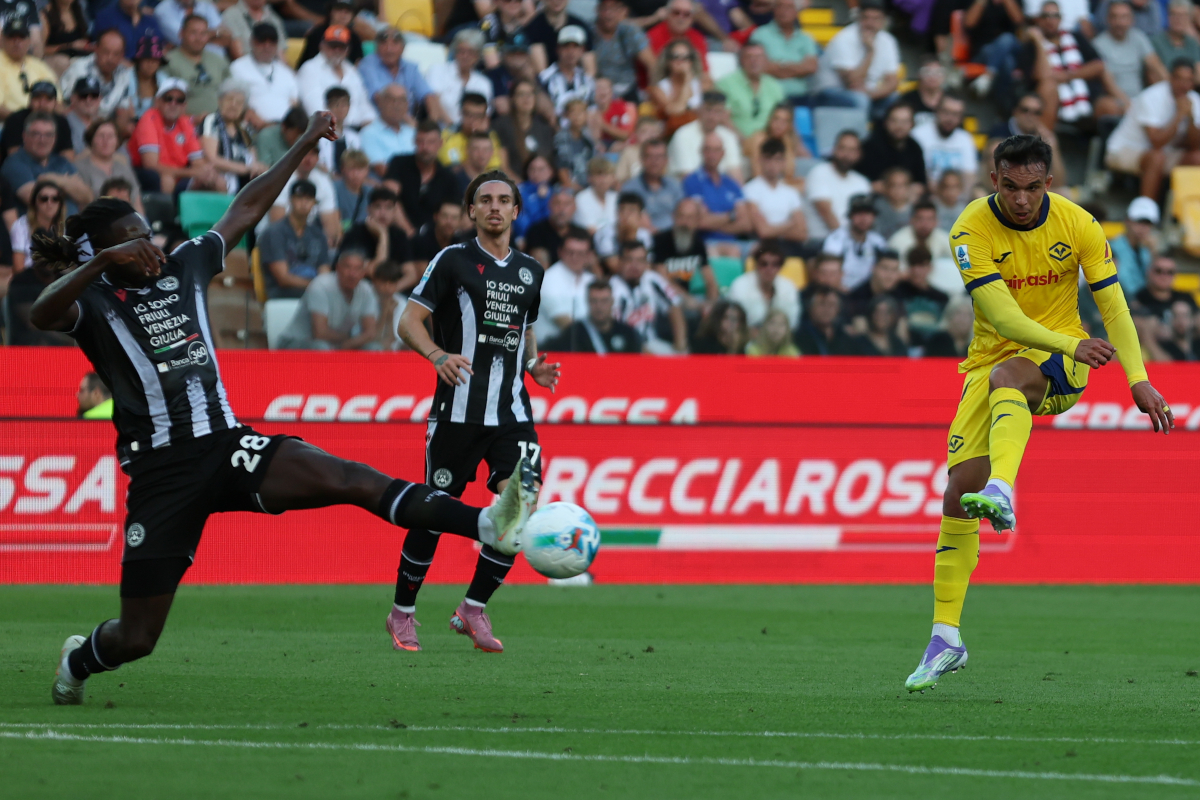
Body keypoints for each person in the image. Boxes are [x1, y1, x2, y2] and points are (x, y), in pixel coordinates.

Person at [37, 113, 537, 705]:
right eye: (136, 238)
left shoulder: (185, 266)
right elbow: (41, 313)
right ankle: (79, 659)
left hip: (226, 445)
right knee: (138, 637)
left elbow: (244, 209)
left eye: (150, 233)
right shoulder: (90, 303)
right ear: (105, 252)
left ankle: (484, 522)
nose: (153, 244)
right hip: (161, 473)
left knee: (349, 477)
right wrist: (95, 264)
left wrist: (302, 143)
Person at [903, 135, 1173, 695]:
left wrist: (1137, 376)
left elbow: (1113, 306)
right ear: (993, 180)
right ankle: (945, 637)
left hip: (1060, 355)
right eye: (1009, 187)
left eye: (1032, 187)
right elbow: (999, 316)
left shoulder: (1079, 225)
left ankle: (1004, 488)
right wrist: (1070, 345)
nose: (1021, 199)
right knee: (956, 495)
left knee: (1012, 382)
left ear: (1047, 182)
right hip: (992, 359)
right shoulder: (969, 230)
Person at [386, 168, 557, 653]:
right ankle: (402, 612)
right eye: (486, 200)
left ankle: (473, 608)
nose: (496, 207)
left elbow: (524, 330)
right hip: (457, 412)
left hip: (512, 413)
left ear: (517, 211)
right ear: (473, 211)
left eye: (505, 199)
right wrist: (437, 356)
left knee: (521, 507)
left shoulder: (531, 271)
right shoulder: (453, 260)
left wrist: (533, 365)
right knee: (432, 515)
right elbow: (409, 321)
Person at [1106, 59, 1200, 202]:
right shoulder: (1152, 96)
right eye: (1179, 79)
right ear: (1170, 78)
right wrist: (1179, 115)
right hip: (1124, 150)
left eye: (1188, 80)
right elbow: (1156, 142)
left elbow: (1194, 145)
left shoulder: (1194, 100)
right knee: (1156, 157)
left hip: (1164, 152)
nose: (1183, 85)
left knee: (1196, 157)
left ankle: (1184, 215)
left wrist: (1191, 118)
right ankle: (1146, 212)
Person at [1018, 2, 1120, 128]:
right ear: (1038, 20)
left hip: (1086, 102)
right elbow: (1043, 75)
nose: (1050, 20)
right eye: (1045, 16)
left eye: (1055, 16)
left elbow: (1098, 65)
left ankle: (1126, 108)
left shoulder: (1075, 37)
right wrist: (1039, 41)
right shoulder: (1031, 47)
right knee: (1048, 85)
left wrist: (1067, 76)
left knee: (1110, 106)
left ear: (1061, 19)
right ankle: (1044, 142)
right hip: (1053, 105)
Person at [127, 80, 219, 194]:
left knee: (218, 181)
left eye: (179, 100)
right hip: (144, 174)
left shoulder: (185, 122)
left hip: (178, 174)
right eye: (168, 99)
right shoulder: (149, 119)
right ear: (157, 102)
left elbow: (198, 162)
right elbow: (151, 166)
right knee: (167, 180)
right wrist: (192, 173)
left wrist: (206, 172)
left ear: (184, 105)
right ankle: (166, 212)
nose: (173, 104)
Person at [277, 248, 380, 349]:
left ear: (363, 272)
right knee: (322, 348)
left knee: (374, 348)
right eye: (348, 267)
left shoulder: (367, 290)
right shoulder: (321, 286)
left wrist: (348, 344)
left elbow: (370, 333)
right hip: (295, 342)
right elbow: (320, 333)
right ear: (338, 268)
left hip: (338, 343)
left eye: (358, 269)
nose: (352, 274)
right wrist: (349, 340)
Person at [813, 0, 899, 118]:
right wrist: (870, 52)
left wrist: (871, 94)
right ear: (859, 18)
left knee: (895, 101)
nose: (870, 23)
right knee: (860, 101)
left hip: (866, 94)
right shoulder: (844, 38)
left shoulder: (888, 41)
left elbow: (892, 82)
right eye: (866, 18)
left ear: (884, 21)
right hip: (830, 93)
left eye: (876, 19)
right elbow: (852, 82)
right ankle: (859, 136)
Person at [2, 113, 92, 215]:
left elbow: (87, 196)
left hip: (72, 228)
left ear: (55, 138)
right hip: (39, 230)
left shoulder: (62, 161)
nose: (42, 140)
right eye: (36, 134)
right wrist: (68, 184)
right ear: (24, 136)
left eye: (48, 135)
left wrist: (53, 179)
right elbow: (38, 199)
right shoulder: (14, 163)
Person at [383, 120, 463, 235]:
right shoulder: (399, 163)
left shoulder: (448, 177)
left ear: (440, 144)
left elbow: (456, 211)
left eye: (431, 142)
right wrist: (410, 233)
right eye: (421, 142)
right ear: (414, 142)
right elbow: (389, 198)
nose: (425, 147)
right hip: (398, 233)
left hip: (434, 238)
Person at [611, 238, 686, 353]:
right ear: (620, 261)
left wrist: (680, 344)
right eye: (629, 260)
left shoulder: (651, 279)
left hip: (653, 343)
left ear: (646, 263)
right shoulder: (613, 290)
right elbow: (617, 331)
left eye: (640, 260)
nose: (635, 266)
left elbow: (674, 306)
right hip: (626, 350)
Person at [259, 178, 330, 299]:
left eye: (308, 199)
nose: (304, 203)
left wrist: (322, 288)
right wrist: (317, 287)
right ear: (290, 200)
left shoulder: (318, 235)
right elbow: (283, 279)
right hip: (281, 292)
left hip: (313, 292)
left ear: (314, 203)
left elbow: (325, 272)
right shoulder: (274, 232)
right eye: (299, 198)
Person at [359, 27, 446, 124]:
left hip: (408, 123)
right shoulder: (368, 65)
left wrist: (431, 125)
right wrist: (413, 126)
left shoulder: (410, 67)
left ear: (403, 48)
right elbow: (380, 99)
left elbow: (428, 96)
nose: (389, 49)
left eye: (394, 43)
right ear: (377, 47)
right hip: (380, 122)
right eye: (384, 43)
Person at [297, 25, 376, 128]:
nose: (337, 50)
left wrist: (369, 121)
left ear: (348, 50)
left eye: (341, 47)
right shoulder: (309, 69)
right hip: (326, 131)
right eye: (333, 46)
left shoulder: (351, 70)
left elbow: (364, 104)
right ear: (322, 45)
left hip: (357, 130)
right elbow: (315, 110)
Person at [984, 93, 1068, 188]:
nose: (1030, 116)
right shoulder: (999, 131)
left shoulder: (1043, 137)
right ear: (1015, 111)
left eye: (1036, 112)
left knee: (1063, 193)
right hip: (1003, 189)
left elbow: (1059, 183)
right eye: (1025, 110)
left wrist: (1052, 146)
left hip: (1031, 190)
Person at [229, 22, 300, 131]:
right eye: (261, 41)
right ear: (252, 42)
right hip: (254, 128)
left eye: (272, 42)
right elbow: (235, 102)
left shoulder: (286, 72)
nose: (267, 46)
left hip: (286, 131)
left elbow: (294, 104)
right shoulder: (238, 67)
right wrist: (263, 125)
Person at [1092, 0, 1166, 104]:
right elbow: (1107, 83)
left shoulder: (1139, 37)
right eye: (1115, 17)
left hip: (1140, 96)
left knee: (1154, 75)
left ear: (1132, 20)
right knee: (1106, 104)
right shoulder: (1098, 44)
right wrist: (1128, 104)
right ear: (1108, 19)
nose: (1119, 22)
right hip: (1115, 100)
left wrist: (1172, 87)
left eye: (1124, 17)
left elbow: (1155, 64)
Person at [59, 29, 137, 127]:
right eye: (106, 52)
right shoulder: (78, 69)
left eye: (116, 54)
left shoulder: (124, 74)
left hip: (106, 129)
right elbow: (61, 105)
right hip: (76, 125)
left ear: (122, 55)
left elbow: (122, 110)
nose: (110, 59)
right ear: (96, 49)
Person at [545, 279, 643, 353]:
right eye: (594, 301)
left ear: (612, 302)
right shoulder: (575, 333)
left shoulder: (627, 333)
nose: (599, 306)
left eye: (604, 301)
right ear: (588, 302)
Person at [201, 81, 264, 194]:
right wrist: (245, 168)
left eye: (239, 102)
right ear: (220, 101)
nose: (234, 105)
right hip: (218, 176)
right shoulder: (212, 121)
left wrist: (257, 168)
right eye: (229, 99)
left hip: (242, 178)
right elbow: (212, 159)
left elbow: (253, 160)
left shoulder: (245, 129)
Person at [750, 0, 819, 103]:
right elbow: (759, 66)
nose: (784, 11)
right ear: (774, 10)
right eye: (780, 6)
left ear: (796, 12)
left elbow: (811, 67)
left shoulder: (806, 38)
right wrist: (798, 68)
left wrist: (780, 66)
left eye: (789, 7)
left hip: (801, 96)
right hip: (768, 97)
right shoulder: (760, 34)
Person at [163, 15, 231, 119]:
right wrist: (192, 119)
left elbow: (232, 93)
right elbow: (164, 104)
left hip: (220, 122)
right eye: (193, 33)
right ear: (181, 34)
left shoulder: (218, 61)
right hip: (185, 125)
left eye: (203, 33)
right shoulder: (168, 62)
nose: (198, 38)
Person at [340, 187, 415, 280]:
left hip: (390, 289)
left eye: (388, 207)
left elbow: (411, 274)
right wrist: (383, 235)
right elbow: (374, 272)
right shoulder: (356, 233)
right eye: (378, 207)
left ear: (394, 212)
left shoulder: (399, 235)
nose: (383, 213)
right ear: (369, 210)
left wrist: (392, 291)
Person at [652, 196, 716, 303]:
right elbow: (662, 279)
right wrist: (690, 301)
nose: (685, 223)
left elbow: (710, 281)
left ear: (697, 221)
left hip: (690, 298)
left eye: (690, 218)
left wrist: (711, 305)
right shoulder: (660, 241)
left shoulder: (698, 243)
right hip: (665, 299)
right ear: (674, 217)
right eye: (681, 216)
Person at [667, 89, 742, 181]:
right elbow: (687, 179)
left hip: (720, 189)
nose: (712, 117)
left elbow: (736, 175)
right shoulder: (683, 135)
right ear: (699, 110)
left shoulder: (729, 136)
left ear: (724, 114)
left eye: (717, 111)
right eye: (708, 110)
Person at [72, 120, 144, 214]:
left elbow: (136, 202)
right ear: (91, 139)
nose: (105, 141)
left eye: (110, 136)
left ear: (117, 141)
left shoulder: (124, 168)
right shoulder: (79, 167)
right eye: (101, 136)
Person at [805, 130, 872, 232]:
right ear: (834, 150)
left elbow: (865, 218)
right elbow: (826, 212)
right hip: (821, 241)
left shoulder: (862, 182)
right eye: (843, 148)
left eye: (852, 150)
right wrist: (845, 242)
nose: (846, 154)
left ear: (859, 154)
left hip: (853, 241)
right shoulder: (819, 172)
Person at [743, 137, 807, 244]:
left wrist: (773, 230)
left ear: (784, 162)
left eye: (777, 159)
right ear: (760, 160)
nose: (772, 164)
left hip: (788, 246)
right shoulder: (750, 190)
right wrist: (791, 224)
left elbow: (802, 234)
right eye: (768, 158)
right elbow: (763, 231)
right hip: (762, 246)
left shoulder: (791, 193)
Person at [534, 227, 593, 341]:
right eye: (570, 252)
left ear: (589, 256)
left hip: (585, 349)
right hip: (552, 351)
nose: (575, 258)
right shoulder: (548, 280)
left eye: (580, 253)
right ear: (560, 252)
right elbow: (566, 324)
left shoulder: (592, 280)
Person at [727, 239, 800, 330]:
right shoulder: (740, 285)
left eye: (775, 264)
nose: (769, 269)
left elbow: (792, 322)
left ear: (780, 267)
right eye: (764, 264)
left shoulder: (789, 287)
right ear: (756, 265)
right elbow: (734, 323)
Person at [717, 42, 784, 139]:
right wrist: (743, 141)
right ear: (741, 60)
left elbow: (783, 119)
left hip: (770, 144)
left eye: (759, 57)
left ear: (766, 60)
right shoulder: (726, 84)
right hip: (735, 141)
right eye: (749, 57)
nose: (754, 61)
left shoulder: (774, 86)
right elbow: (722, 119)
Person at [889, 198, 957, 293]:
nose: (925, 224)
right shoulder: (898, 241)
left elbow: (962, 260)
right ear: (912, 220)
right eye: (920, 219)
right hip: (905, 289)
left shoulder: (943, 238)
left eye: (929, 219)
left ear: (936, 222)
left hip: (936, 290)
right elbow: (894, 273)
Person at [821, 194, 889, 289]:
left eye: (868, 214)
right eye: (859, 214)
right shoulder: (836, 239)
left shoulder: (878, 241)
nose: (864, 219)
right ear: (850, 216)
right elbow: (829, 271)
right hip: (840, 291)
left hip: (870, 293)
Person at [428, 29, 493, 127]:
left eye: (470, 52)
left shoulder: (483, 83)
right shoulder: (438, 70)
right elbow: (434, 103)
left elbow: (484, 115)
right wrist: (453, 127)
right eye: (461, 51)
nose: (465, 56)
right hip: (442, 129)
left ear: (478, 56)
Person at [856, 102, 928, 192]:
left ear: (912, 124)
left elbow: (921, 183)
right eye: (894, 121)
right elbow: (862, 183)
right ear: (886, 122)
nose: (899, 126)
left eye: (905, 122)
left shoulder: (915, 148)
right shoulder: (870, 147)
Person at [592, 0, 655, 101]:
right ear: (597, 10)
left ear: (622, 11)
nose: (608, 14)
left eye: (613, 9)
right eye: (604, 9)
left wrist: (653, 93)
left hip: (627, 90)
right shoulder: (589, 31)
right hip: (599, 91)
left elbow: (652, 64)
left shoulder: (630, 30)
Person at [910, 93, 978, 186]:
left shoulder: (965, 139)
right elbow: (917, 174)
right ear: (936, 111)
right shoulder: (918, 135)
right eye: (946, 112)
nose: (950, 118)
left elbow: (969, 175)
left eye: (956, 114)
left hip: (956, 194)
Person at [494, 78, 555, 174]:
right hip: (513, 184)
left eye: (530, 94)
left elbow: (550, 163)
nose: (526, 98)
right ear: (512, 98)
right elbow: (503, 167)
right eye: (521, 94)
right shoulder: (501, 125)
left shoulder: (544, 127)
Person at [0, 19, 56, 121]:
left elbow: (58, 101)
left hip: (42, 123)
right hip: (7, 125)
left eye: (21, 37)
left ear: (29, 41)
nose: (17, 42)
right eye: (11, 37)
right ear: (2, 39)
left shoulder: (39, 66)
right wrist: (23, 122)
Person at [1, 81, 73, 160]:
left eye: (48, 99)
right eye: (37, 98)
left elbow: (68, 156)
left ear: (55, 103)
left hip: (55, 168)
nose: (42, 104)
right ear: (30, 101)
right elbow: (14, 154)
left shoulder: (62, 122)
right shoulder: (15, 120)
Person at [622, 138, 683, 231]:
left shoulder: (674, 185)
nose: (654, 161)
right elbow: (628, 220)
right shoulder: (630, 189)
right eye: (650, 156)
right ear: (641, 159)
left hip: (673, 239)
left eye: (659, 157)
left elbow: (682, 215)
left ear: (666, 160)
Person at [744, 103, 811, 186]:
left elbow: (789, 173)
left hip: (775, 183)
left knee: (804, 184)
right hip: (752, 184)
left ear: (790, 126)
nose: (779, 125)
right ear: (769, 119)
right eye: (776, 119)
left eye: (784, 121)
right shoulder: (758, 139)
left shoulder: (786, 141)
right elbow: (758, 176)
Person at [895, 245, 949, 345]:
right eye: (913, 265)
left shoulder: (941, 297)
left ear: (930, 268)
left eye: (922, 265)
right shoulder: (898, 291)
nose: (917, 271)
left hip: (934, 347)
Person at [439, 92, 506, 171]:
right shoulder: (448, 135)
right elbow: (453, 170)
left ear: (485, 117)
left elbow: (495, 169)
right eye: (468, 114)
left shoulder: (490, 137)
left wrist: (479, 136)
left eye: (478, 116)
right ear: (461, 113)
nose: (472, 120)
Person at [539, 25, 594, 121]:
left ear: (582, 51)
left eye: (575, 47)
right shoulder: (545, 78)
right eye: (566, 46)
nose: (571, 52)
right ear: (558, 49)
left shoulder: (587, 80)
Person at [10, 178, 65, 273]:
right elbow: (19, 269)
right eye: (44, 199)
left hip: (56, 280)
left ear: (60, 204)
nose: (49, 203)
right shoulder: (21, 225)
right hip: (29, 279)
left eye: (55, 199)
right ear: (34, 202)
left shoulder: (64, 228)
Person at [360, 84, 416, 173]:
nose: (397, 105)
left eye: (402, 100)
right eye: (391, 100)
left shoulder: (412, 132)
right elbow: (382, 170)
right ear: (380, 102)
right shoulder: (369, 133)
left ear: (407, 105)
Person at [526, 0, 593, 74]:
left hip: (578, 80)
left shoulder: (581, 26)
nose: (556, 1)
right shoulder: (534, 27)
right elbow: (542, 72)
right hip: (547, 80)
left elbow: (590, 69)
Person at [1111, 195, 1158, 296]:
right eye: (1139, 222)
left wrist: (1154, 253)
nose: (1143, 227)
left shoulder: (1146, 251)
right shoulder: (1113, 248)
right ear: (1127, 221)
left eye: (1147, 223)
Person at [595, 190, 654, 269]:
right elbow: (614, 267)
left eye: (631, 211)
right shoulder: (605, 233)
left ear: (640, 216)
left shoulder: (644, 235)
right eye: (622, 210)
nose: (626, 215)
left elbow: (648, 266)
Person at [1131, 255, 1197, 321]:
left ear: (1175, 275)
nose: (1164, 276)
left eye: (1169, 272)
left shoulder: (1186, 299)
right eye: (1158, 271)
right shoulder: (1138, 299)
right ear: (1149, 272)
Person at [94, 0, 166, 60]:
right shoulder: (105, 17)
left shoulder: (150, 21)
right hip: (116, 69)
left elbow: (161, 49)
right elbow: (99, 50)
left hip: (147, 71)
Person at [795, 284, 854, 355]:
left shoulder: (847, 337)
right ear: (810, 308)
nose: (826, 309)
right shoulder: (798, 338)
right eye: (821, 304)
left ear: (838, 309)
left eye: (831, 304)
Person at [155, 0, 229, 53]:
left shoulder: (205, 5)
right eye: (195, 32)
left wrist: (202, 36)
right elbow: (184, 39)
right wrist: (215, 34)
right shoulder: (163, 10)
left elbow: (226, 34)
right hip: (186, 59)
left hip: (217, 58)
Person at [554, 98, 595, 191]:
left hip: (589, 185)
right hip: (571, 186)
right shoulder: (562, 137)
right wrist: (576, 189)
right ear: (567, 115)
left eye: (580, 112)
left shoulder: (588, 137)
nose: (577, 116)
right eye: (573, 112)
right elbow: (562, 168)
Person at [221, 0, 288, 58]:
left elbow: (281, 54)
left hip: (271, 65)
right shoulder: (231, 15)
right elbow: (238, 55)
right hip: (245, 66)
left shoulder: (273, 18)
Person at [41, 0, 92, 75]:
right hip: (56, 60)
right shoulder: (46, 15)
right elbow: (41, 50)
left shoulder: (77, 10)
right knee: (63, 62)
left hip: (78, 57)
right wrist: (70, 45)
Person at [514, 152, 555, 242]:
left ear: (551, 171)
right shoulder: (519, 192)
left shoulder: (558, 192)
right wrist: (542, 200)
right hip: (527, 240)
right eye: (532, 169)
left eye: (541, 169)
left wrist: (544, 199)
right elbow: (523, 225)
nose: (536, 173)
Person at [1152, 0, 1200, 74]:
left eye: (1183, 15)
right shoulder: (1155, 42)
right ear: (1167, 17)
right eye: (1174, 14)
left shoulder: (1193, 43)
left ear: (1189, 19)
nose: (1178, 19)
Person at [412, 199, 463, 267]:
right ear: (436, 217)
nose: (449, 222)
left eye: (454, 218)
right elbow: (424, 274)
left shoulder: (461, 244)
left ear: (460, 221)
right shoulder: (422, 240)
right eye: (445, 216)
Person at [574, 156, 617, 234]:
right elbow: (590, 230)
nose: (603, 179)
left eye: (607, 174)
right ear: (589, 178)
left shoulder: (616, 197)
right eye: (599, 175)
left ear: (613, 177)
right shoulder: (581, 199)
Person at [130, 34, 165, 121]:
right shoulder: (125, 78)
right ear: (139, 60)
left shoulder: (164, 80)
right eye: (147, 59)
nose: (150, 64)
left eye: (155, 60)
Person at [334, 149, 371, 229]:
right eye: (351, 169)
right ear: (343, 169)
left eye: (360, 169)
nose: (356, 174)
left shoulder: (371, 193)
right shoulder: (333, 190)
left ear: (367, 170)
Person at [872, 167, 913, 240]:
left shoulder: (916, 210)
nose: (897, 190)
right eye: (893, 185)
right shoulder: (876, 208)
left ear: (909, 187)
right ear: (885, 187)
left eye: (901, 185)